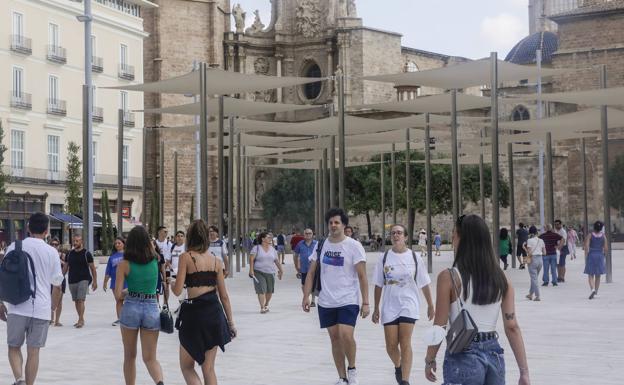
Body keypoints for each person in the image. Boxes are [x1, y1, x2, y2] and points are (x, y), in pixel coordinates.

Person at [424, 214, 530, 385]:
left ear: (461, 239)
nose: (452, 240)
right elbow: (512, 326)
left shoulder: (449, 277)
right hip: (494, 353)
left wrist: (430, 359)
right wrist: (524, 371)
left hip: (463, 353)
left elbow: (440, 325)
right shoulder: (502, 279)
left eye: (454, 235)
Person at [303, 208, 370, 385]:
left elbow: (363, 276)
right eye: (331, 222)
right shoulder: (321, 244)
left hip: (348, 298)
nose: (333, 225)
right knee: (334, 338)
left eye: (337, 222)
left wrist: (366, 302)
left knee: (346, 335)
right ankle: (342, 377)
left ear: (344, 225)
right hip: (326, 300)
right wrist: (306, 296)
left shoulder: (354, 246)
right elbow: (311, 273)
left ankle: (352, 369)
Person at [0, 213, 63, 385]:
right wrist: (52, 308)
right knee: (33, 352)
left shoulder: (13, 247)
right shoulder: (51, 252)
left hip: (16, 306)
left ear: (28, 228)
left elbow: (3, 276)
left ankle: (19, 379)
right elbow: (57, 285)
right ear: (47, 230)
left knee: (13, 347)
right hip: (42, 308)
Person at [171, 220, 236, 384]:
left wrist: (171, 283)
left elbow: (178, 290)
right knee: (209, 368)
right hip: (214, 314)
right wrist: (231, 323)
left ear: (190, 237)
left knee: (187, 367)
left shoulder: (186, 257)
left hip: (194, 315)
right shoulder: (216, 261)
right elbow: (224, 296)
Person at [372, 224, 434, 385]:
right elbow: (378, 285)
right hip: (389, 306)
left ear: (405, 237)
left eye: (399, 233)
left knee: (405, 342)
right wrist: (375, 308)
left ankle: (405, 380)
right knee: (391, 346)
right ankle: (398, 366)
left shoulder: (414, 257)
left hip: (409, 304)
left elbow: (424, 283)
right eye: (393, 233)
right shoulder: (384, 258)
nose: (396, 235)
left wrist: (430, 304)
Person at [115, 226, 165, 385]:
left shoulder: (124, 264)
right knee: (150, 358)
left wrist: (128, 292)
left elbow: (117, 295)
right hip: (151, 307)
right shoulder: (155, 260)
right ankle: (159, 382)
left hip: (131, 307)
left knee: (130, 356)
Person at [65, 234, 97, 328]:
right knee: (76, 301)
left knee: (81, 299)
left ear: (82, 242)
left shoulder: (86, 253)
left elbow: (93, 268)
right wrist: (59, 278)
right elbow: (66, 268)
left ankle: (80, 320)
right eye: (74, 241)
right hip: (72, 280)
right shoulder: (69, 254)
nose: (75, 243)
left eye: (77, 241)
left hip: (84, 279)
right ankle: (81, 318)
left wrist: (95, 281)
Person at [249, 231, 284, 313]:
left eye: (271, 237)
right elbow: (251, 259)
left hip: (271, 272)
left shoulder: (272, 249)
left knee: (269, 290)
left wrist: (281, 270)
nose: (270, 239)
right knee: (261, 289)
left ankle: (266, 304)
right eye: (268, 237)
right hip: (258, 271)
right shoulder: (256, 248)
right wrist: (251, 270)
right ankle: (262, 307)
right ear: (263, 239)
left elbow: (276, 260)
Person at [104, 237, 127, 326]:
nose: (117, 245)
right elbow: (108, 270)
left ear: (123, 244)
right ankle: (120, 319)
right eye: (116, 243)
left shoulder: (128, 255)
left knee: (128, 300)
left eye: (119, 243)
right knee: (119, 300)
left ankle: (127, 318)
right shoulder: (112, 257)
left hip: (126, 281)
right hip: (115, 282)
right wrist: (105, 282)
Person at [584, 221, 608, 300]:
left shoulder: (590, 235)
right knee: (598, 275)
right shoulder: (603, 236)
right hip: (600, 255)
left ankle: (592, 289)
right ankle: (596, 291)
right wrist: (603, 255)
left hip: (591, 255)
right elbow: (606, 248)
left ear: (594, 227)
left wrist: (586, 256)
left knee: (590, 274)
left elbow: (586, 246)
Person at [293, 228, 318, 307]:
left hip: (314, 268)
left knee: (313, 285)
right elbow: (295, 255)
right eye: (306, 233)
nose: (308, 235)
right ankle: (306, 297)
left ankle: (313, 300)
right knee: (304, 284)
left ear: (312, 235)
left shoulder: (316, 243)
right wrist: (296, 266)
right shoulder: (300, 244)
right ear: (304, 235)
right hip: (304, 268)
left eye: (310, 233)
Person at [523, 226, 545, 302]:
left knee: (534, 279)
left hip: (533, 260)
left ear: (530, 233)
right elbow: (545, 253)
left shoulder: (529, 240)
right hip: (540, 260)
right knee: (534, 278)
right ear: (536, 232)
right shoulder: (541, 240)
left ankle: (537, 296)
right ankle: (530, 294)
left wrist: (524, 247)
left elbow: (529, 253)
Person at [49, 238, 66, 326]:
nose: (54, 246)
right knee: (49, 299)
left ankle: (57, 320)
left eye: (56, 244)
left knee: (59, 300)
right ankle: (50, 319)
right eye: (52, 244)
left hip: (60, 279)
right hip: (49, 279)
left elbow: (67, 267)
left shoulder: (62, 255)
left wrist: (60, 261)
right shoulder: (47, 254)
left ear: (59, 245)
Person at [155, 226, 172, 299]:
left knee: (166, 286)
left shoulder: (169, 243)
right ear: (159, 232)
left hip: (166, 267)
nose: (166, 233)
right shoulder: (154, 243)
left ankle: (165, 305)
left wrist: (164, 266)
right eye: (164, 231)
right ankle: (156, 303)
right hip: (156, 267)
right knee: (156, 286)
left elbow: (169, 256)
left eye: (167, 232)